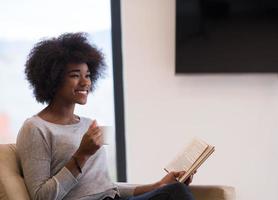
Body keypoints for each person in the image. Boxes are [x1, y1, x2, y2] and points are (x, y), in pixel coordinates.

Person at [16, 32, 195, 200]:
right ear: (52, 78)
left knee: (175, 189)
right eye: (75, 75)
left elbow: (105, 187)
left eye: (88, 75)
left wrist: (158, 185)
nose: (85, 82)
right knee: (176, 192)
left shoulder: (88, 124)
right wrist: (81, 156)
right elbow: (40, 196)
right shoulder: (35, 128)